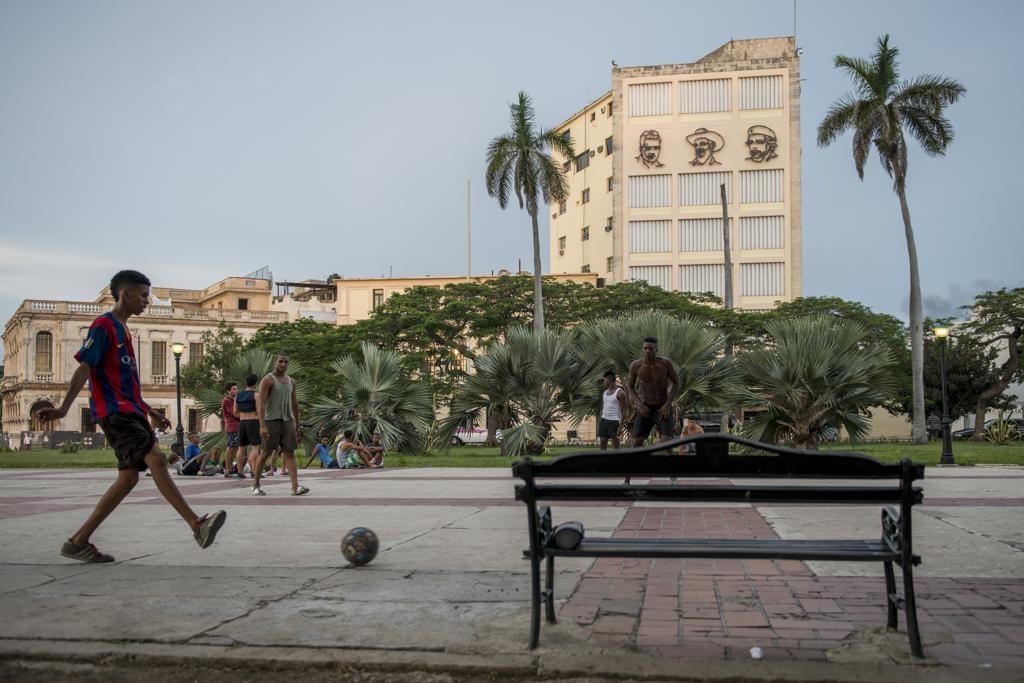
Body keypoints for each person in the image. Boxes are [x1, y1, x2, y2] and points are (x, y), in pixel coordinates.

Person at [38, 269, 226, 562]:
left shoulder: (124, 330)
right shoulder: (103, 327)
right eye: (143, 295)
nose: (147, 302)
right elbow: (85, 367)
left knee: (128, 479)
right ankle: (196, 525)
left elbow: (124, 380)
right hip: (115, 412)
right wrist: (63, 408)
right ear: (124, 294)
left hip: (131, 410)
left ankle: (78, 541)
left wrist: (150, 411)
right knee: (158, 460)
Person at [251, 352, 309, 496]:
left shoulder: (291, 381)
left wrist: (296, 423)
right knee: (266, 453)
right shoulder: (268, 380)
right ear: (275, 362)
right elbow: (261, 404)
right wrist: (262, 425)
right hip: (271, 421)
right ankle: (255, 484)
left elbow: (295, 404)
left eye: (286, 362)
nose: (283, 364)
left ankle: (295, 487)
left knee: (289, 453)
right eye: (280, 361)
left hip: (287, 421)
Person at [625, 336, 681, 447]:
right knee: (636, 443)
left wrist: (668, 404)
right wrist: (640, 404)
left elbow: (677, 382)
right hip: (645, 407)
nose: (647, 351)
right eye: (645, 348)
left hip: (662, 408)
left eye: (650, 348)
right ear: (642, 349)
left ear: (656, 350)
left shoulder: (665, 364)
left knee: (667, 443)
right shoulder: (636, 366)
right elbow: (629, 386)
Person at [235, 374, 261, 477]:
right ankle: (254, 471)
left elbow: (235, 411)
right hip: (253, 421)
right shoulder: (256, 395)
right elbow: (259, 410)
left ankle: (240, 471)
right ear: (255, 383)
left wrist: (242, 415)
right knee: (255, 448)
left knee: (241, 448)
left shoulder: (238, 395)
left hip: (242, 422)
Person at [597, 370, 626, 450]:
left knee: (615, 444)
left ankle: (618, 461)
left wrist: (621, 426)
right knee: (602, 441)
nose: (604, 382)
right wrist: (601, 420)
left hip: (614, 421)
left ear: (609, 380)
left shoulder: (620, 393)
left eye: (605, 380)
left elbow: (623, 411)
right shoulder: (605, 392)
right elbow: (604, 407)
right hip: (604, 420)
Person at [221, 382, 243, 477]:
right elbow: (235, 414)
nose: (236, 390)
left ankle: (234, 469)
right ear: (228, 390)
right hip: (232, 426)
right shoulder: (227, 400)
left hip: (238, 426)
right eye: (233, 389)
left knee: (236, 448)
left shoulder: (235, 399)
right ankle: (228, 469)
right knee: (231, 448)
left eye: (236, 388)